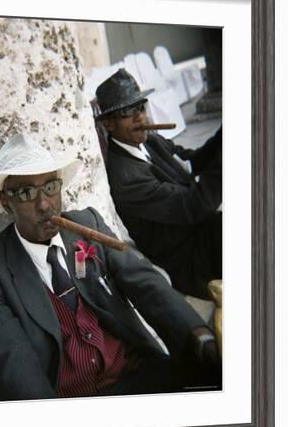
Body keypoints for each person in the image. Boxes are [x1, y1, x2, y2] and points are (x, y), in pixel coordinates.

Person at [0, 133, 220, 402]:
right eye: (27, 193)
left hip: (135, 373)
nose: (44, 205)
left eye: (51, 187)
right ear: (6, 201)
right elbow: (9, 355)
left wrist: (198, 334)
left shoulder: (89, 225)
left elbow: (146, 282)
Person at [93, 68, 222, 300]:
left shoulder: (150, 140)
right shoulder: (126, 179)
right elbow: (194, 205)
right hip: (188, 259)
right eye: (127, 111)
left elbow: (191, 162)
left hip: (202, 231)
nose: (139, 116)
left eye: (140, 106)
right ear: (109, 124)